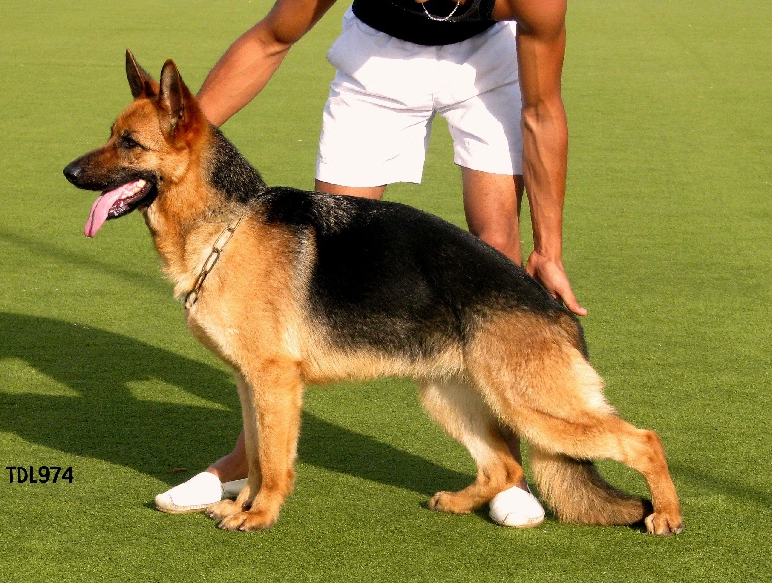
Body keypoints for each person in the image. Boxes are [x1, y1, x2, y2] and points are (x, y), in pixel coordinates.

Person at [155, 0, 586, 528]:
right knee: (331, 246)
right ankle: (248, 465)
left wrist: (550, 250)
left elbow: (541, 110)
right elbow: (270, 38)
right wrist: (176, 140)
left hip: (484, 63)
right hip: (375, 62)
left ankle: (505, 473)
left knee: (496, 250)